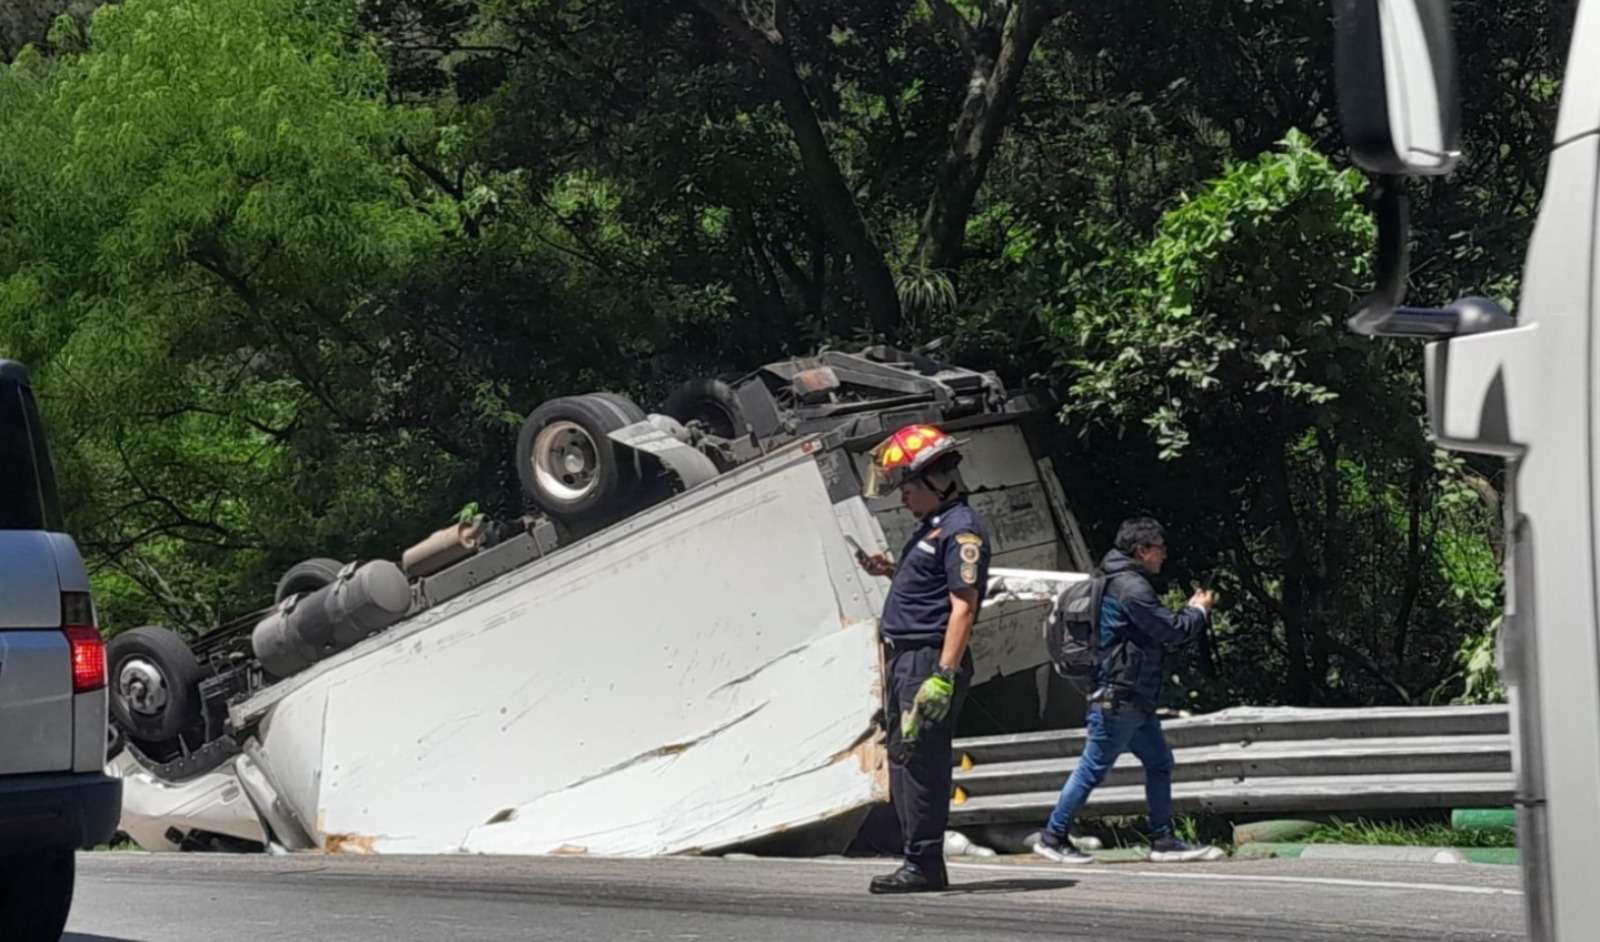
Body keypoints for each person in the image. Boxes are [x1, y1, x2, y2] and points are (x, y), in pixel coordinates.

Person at [1033, 516, 1223, 865]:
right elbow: (1172, 630)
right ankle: (1053, 836)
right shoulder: (1131, 588)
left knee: (1159, 762)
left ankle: (1162, 840)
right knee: (1093, 767)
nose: (1163, 556)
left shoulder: (1113, 579)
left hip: (1132, 697)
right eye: (1160, 549)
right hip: (1120, 696)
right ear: (1143, 550)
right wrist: (1198, 611)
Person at [855, 423, 991, 894]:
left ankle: (923, 864)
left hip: (928, 661)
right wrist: (889, 569)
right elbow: (930, 585)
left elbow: (963, 605)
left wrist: (943, 675)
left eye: (908, 487)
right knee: (904, 758)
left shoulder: (961, 531)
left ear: (936, 482)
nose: (903, 497)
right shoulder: (932, 530)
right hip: (906, 660)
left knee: (922, 761)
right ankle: (918, 855)